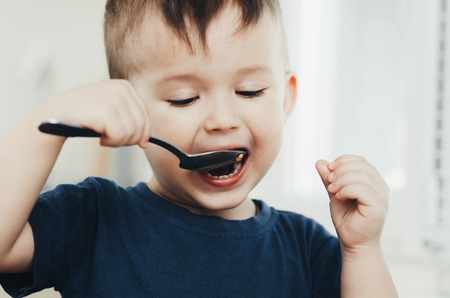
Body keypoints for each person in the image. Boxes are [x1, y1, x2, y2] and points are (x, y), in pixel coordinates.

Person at [0, 0, 397, 297]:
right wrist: (48, 122)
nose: (222, 119)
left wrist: (363, 250)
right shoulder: (93, 219)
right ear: (126, 105)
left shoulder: (307, 250)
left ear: (285, 99)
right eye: (184, 98)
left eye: (249, 91)